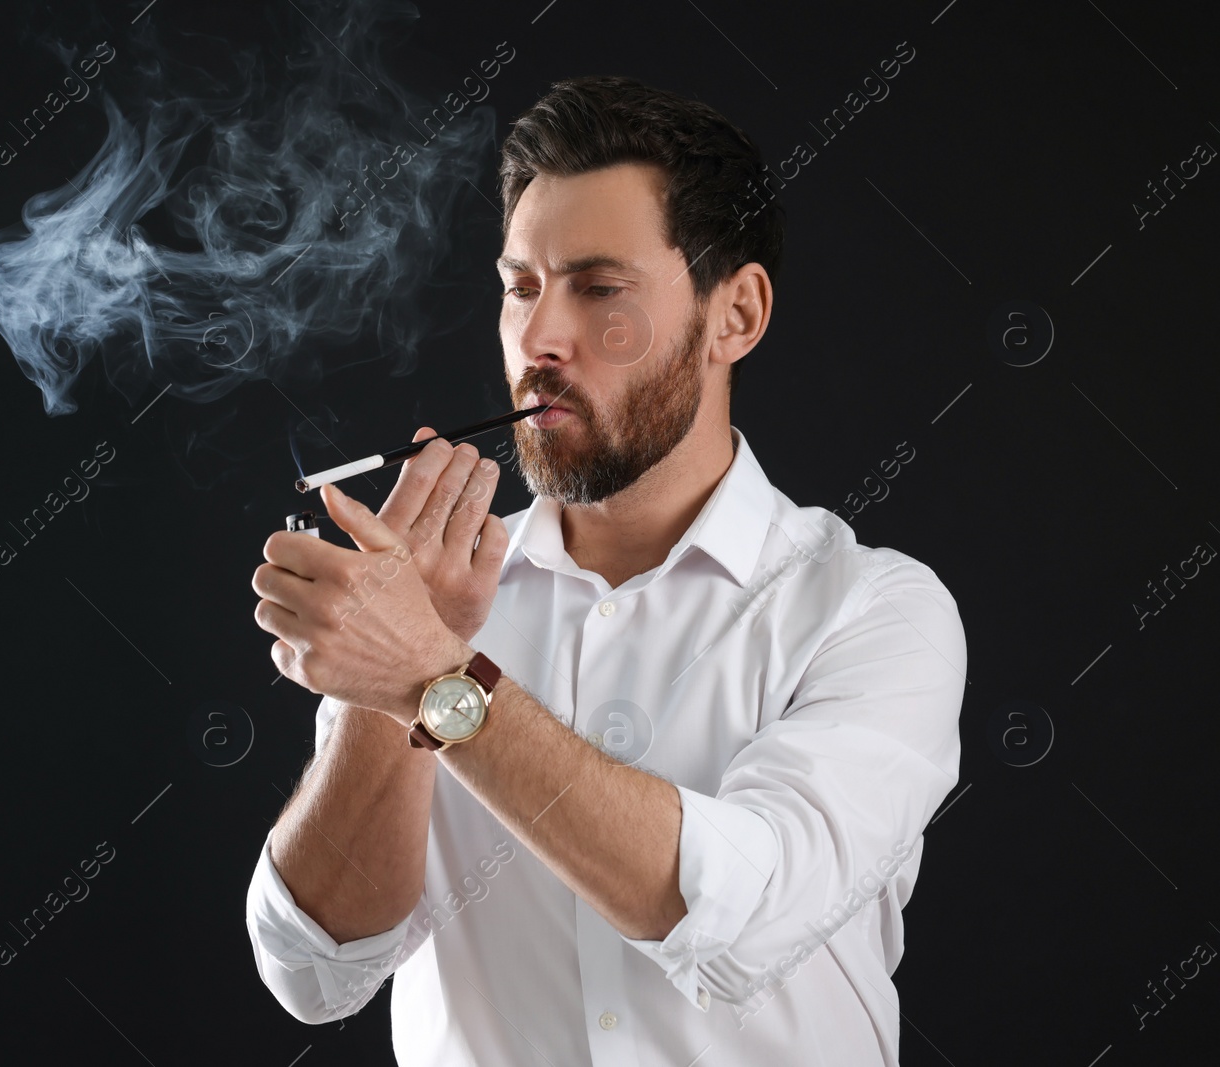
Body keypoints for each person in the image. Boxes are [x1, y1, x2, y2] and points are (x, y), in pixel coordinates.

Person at [246, 74, 965, 1066]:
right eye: (521, 287)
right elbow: (317, 972)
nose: (539, 337)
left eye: (597, 287)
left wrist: (438, 679)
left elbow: (741, 915)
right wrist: (384, 696)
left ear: (736, 314)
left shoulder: (872, 611)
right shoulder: (428, 604)